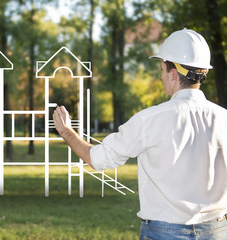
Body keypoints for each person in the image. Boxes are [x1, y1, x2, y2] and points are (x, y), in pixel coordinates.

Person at [53, 28, 227, 240]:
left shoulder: (149, 120)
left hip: (163, 233)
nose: (161, 76)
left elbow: (97, 159)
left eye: (162, 70)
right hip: (216, 232)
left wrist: (66, 132)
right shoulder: (223, 118)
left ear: (171, 72)